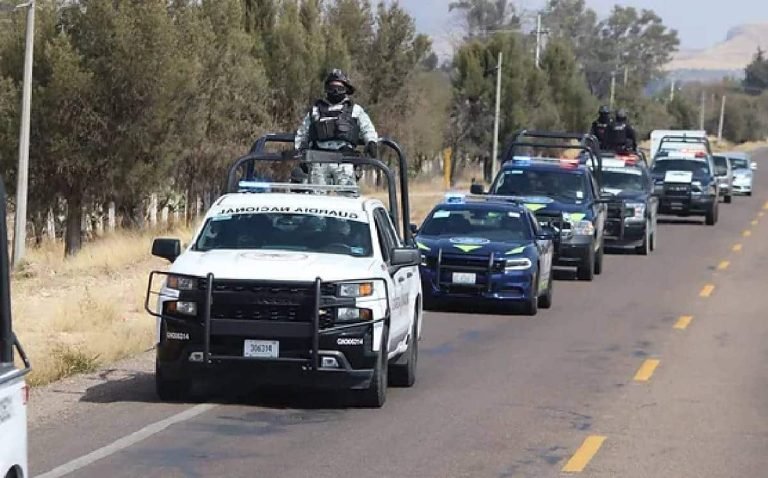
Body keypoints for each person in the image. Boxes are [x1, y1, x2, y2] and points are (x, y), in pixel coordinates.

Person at [295, 69, 379, 187]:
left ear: (346, 89)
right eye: (332, 87)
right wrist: (301, 151)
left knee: (348, 195)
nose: (335, 91)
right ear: (326, 89)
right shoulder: (315, 110)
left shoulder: (355, 110)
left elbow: (368, 128)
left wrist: (371, 142)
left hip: (345, 160)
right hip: (318, 160)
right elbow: (302, 133)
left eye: (339, 88)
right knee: (316, 196)